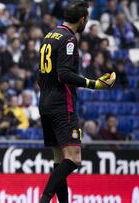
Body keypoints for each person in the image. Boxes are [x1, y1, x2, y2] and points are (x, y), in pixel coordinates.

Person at [37, 1, 116, 202]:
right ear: (82, 20)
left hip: (46, 102)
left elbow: (41, 75)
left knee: (59, 160)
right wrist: (94, 84)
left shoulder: (50, 35)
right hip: (63, 105)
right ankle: (44, 199)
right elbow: (64, 74)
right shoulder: (69, 39)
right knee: (73, 159)